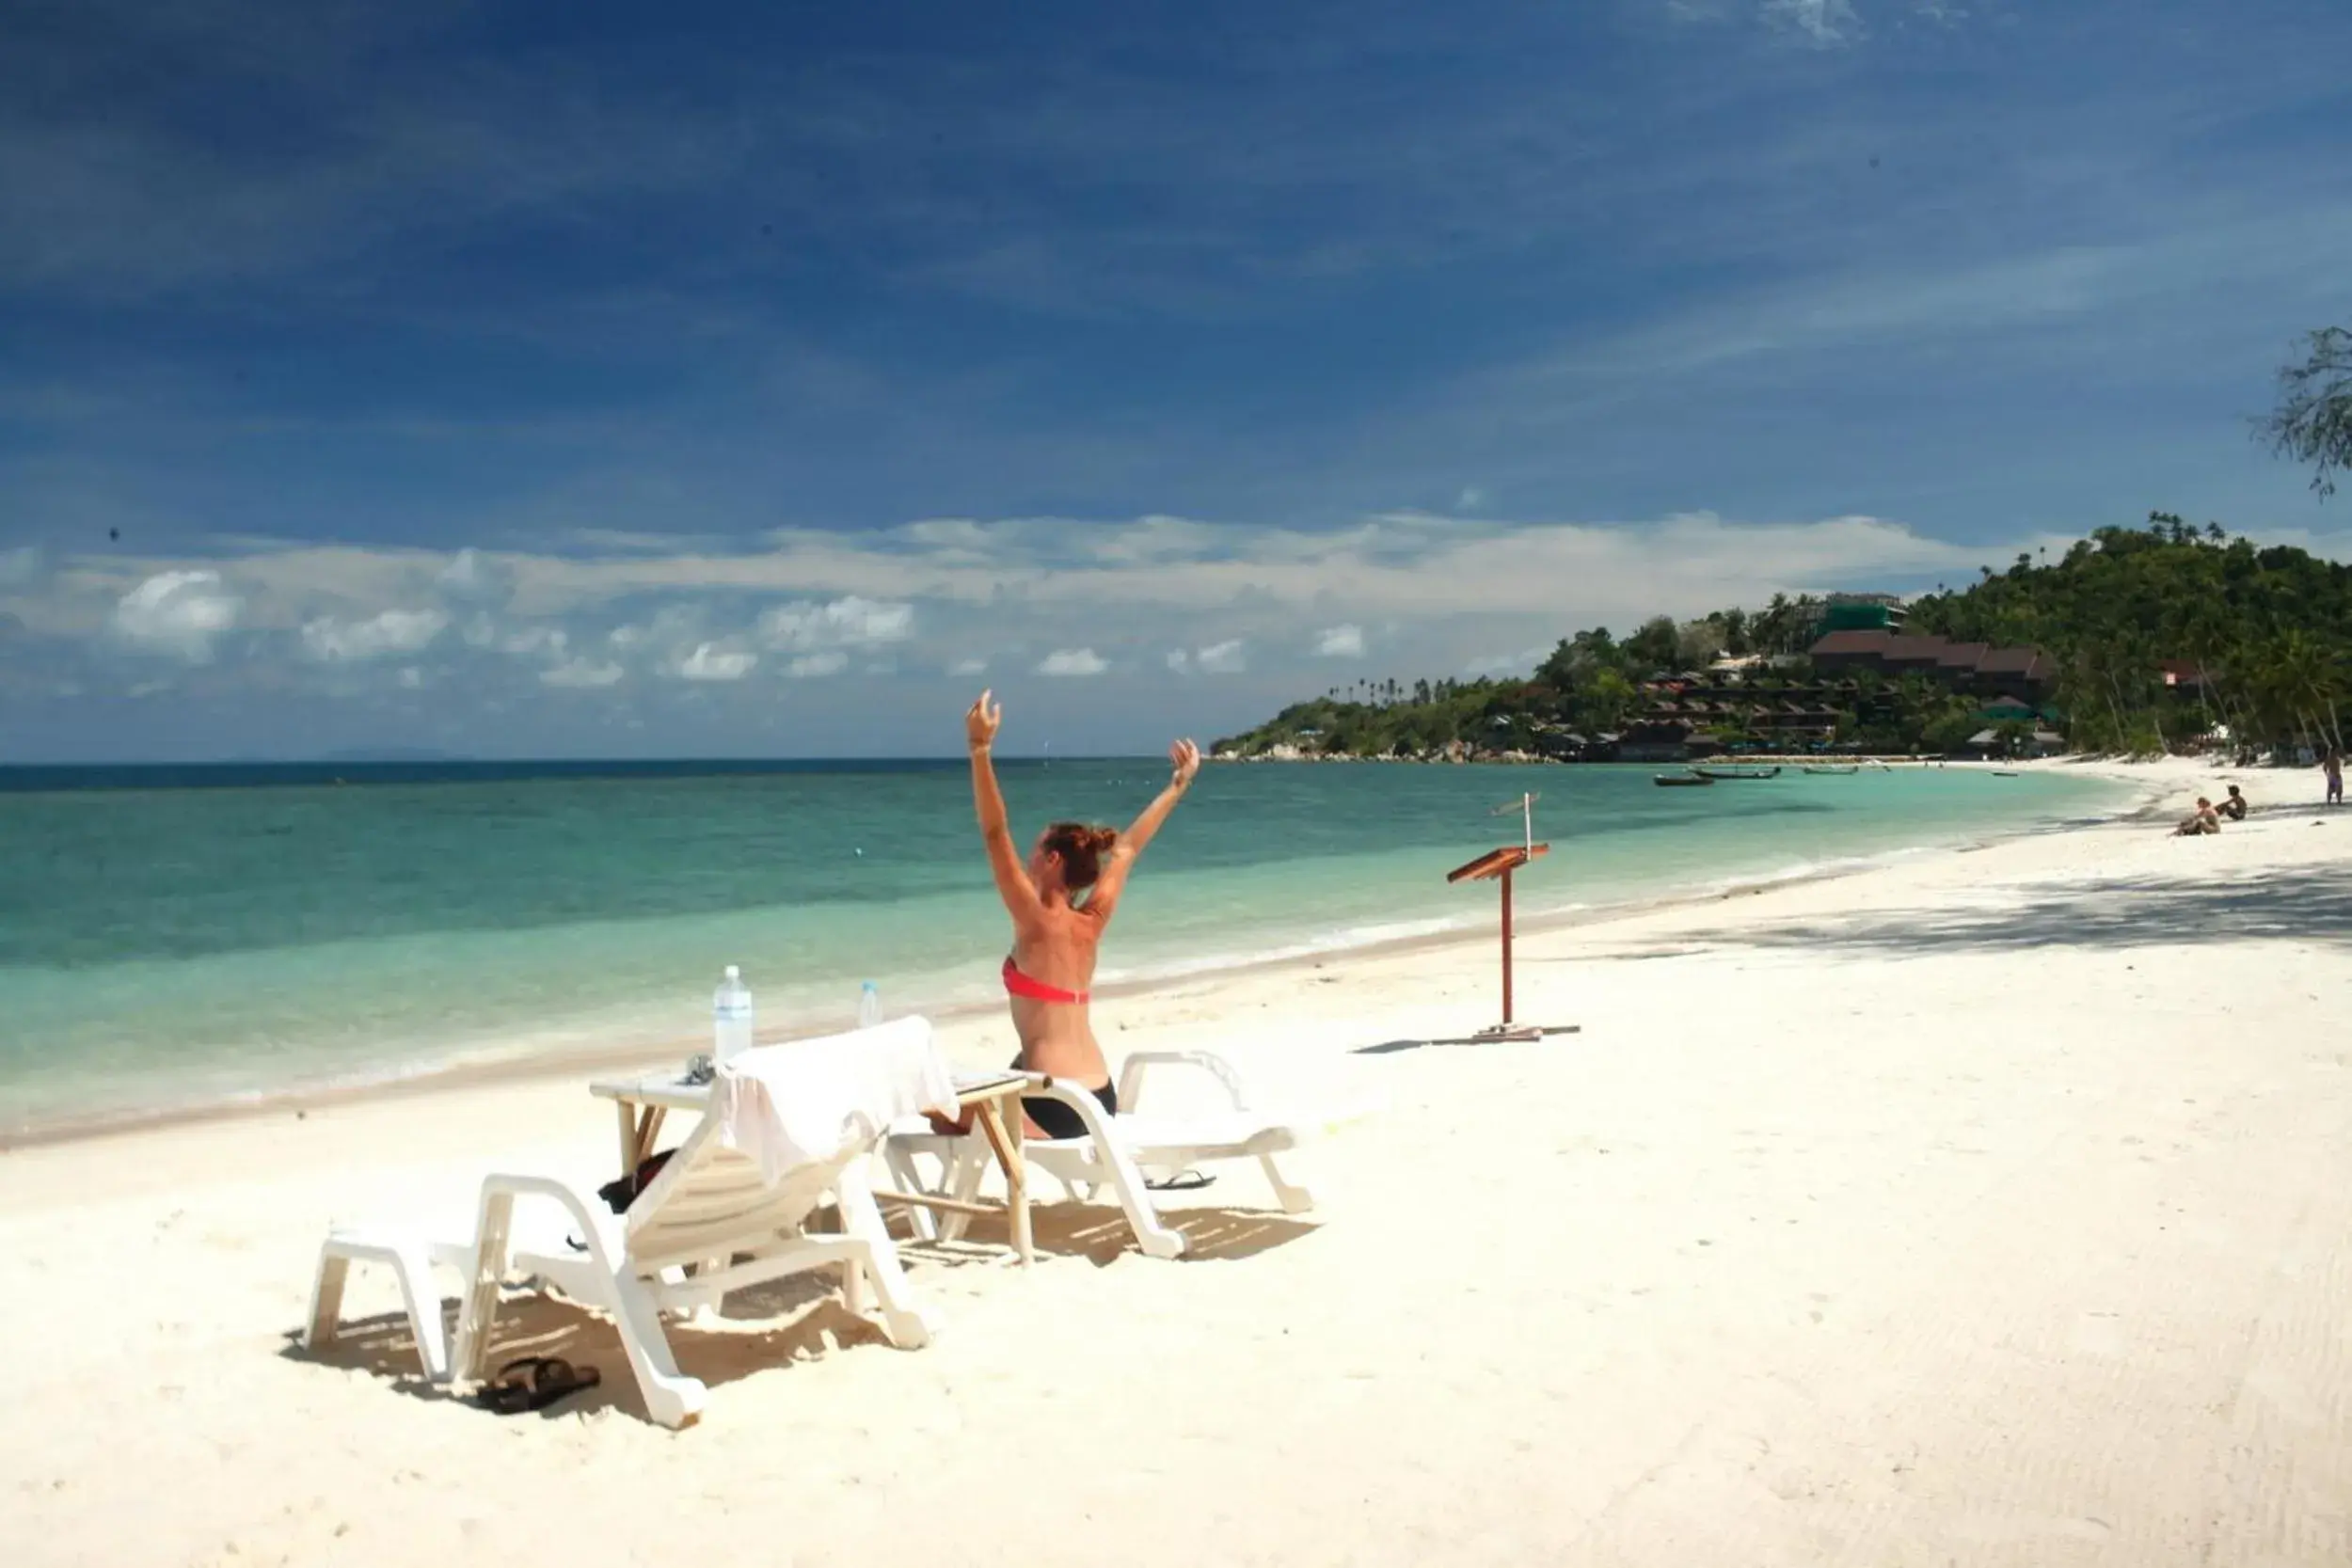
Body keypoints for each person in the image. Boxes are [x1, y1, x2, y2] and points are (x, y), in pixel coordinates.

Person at [947, 689, 1200, 1140]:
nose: (1026, 855)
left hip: (1055, 1103)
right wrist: (1178, 785)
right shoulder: (1092, 921)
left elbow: (993, 831)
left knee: (942, 1112)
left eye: (1036, 847)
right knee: (993, 1084)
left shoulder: (1032, 916)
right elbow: (1126, 849)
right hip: (1099, 1097)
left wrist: (979, 749)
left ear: (1052, 861)